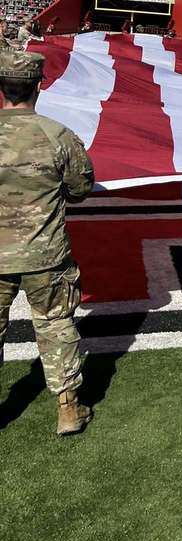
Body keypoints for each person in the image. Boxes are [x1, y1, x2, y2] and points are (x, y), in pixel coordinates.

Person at [0, 51, 95, 435]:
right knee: (56, 326)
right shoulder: (57, 135)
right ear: (39, 86)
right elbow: (81, 188)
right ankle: (68, 409)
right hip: (46, 254)